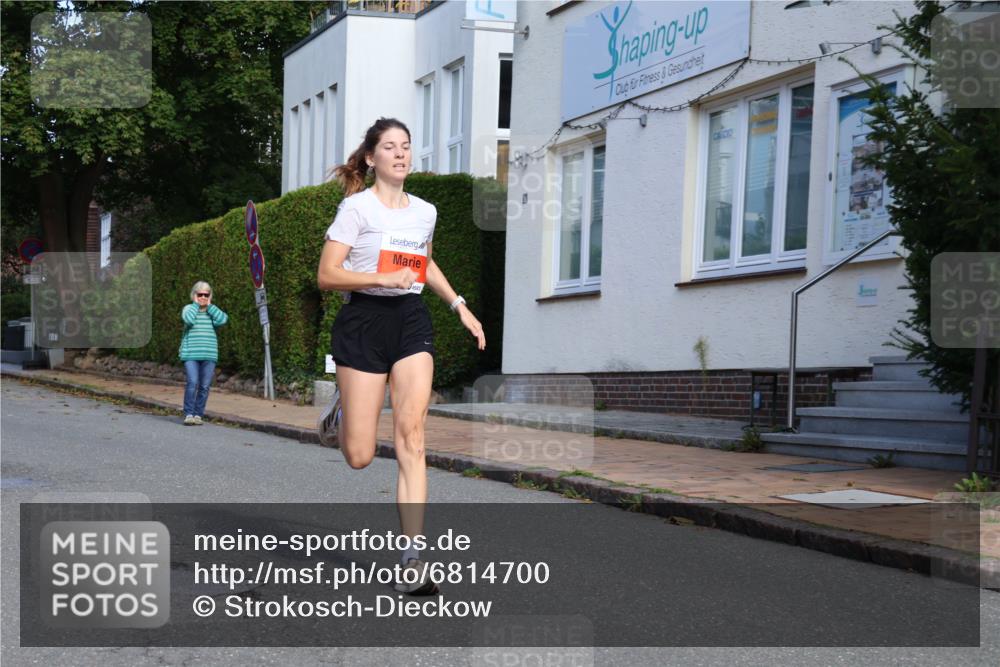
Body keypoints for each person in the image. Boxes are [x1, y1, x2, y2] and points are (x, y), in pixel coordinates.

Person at [316, 117, 486, 595]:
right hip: (363, 323)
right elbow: (327, 274)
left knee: (412, 437)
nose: (400, 154)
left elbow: (424, 263)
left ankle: (412, 561)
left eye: (406, 146)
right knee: (360, 456)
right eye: (390, 147)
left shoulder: (425, 211)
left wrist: (460, 307)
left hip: (410, 321)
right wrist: (376, 279)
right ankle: (344, 405)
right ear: (371, 158)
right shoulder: (356, 209)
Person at [179, 281, 228, 425]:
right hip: (191, 355)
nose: (202, 297)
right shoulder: (188, 309)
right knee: (193, 382)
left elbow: (223, 319)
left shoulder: (211, 311)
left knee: (205, 386)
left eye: (206, 294)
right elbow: (189, 320)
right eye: (199, 294)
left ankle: (198, 414)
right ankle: (188, 414)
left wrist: (210, 306)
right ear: (194, 295)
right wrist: (195, 305)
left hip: (209, 354)